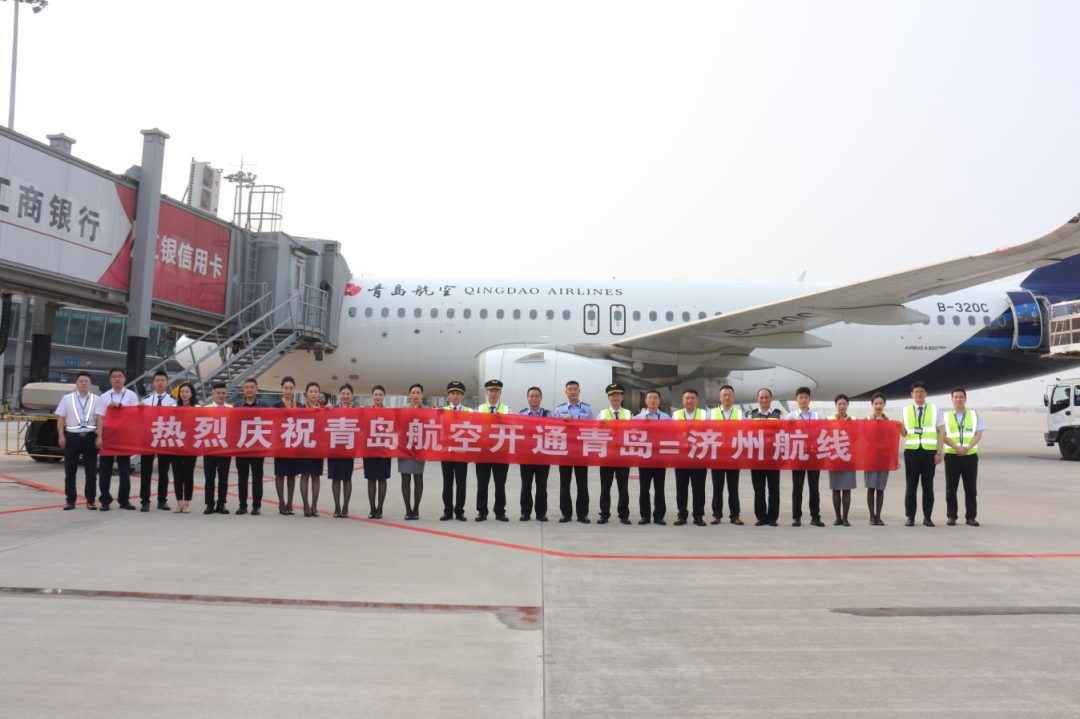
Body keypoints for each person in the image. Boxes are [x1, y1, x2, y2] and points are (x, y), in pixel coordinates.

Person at [54, 372, 100, 510]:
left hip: (90, 438)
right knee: (70, 471)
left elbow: (100, 419)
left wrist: (99, 436)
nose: (84, 383)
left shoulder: (97, 399)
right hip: (72, 438)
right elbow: (60, 418)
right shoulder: (67, 398)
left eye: (86, 381)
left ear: (90, 384)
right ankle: (70, 500)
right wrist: (61, 436)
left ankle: (90, 500)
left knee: (91, 472)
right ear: (76, 383)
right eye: (81, 381)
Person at [97, 367, 140, 511]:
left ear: (124, 378)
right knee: (105, 470)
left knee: (125, 470)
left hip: (124, 435)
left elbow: (135, 415)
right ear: (110, 379)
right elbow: (100, 417)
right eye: (114, 376)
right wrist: (99, 436)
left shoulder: (131, 395)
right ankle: (105, 500)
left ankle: (124, 500)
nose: (117, 379)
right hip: (108, 435)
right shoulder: (104, 397)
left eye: (120, 376)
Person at [902, 381, 944, 527]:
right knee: (910, 486)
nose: (919, 394)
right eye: (916, 391)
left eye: (921, 391)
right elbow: (904, 433)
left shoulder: (934, 409)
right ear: (911, 394)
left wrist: (939, 453)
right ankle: (910, 517)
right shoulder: (906, 410)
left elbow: (941, 432)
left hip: (929, 453)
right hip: (912, 452)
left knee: (928, 486)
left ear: (926, 394)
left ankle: (927, 517)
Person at [942, 388, 985, 527]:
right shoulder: (945, 416)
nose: (958, 399)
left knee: (971, 488)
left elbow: (979, 434)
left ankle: (971, 517)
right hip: (952, 455)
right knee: (951, 488)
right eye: (956, 397)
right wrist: (957, 447)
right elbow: (942, 435)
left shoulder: (975, 415)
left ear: (965, 398)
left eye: (961, 397)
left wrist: (967, 448)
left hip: (970, 456)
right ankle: (952, 516)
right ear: (952, 399)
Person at [553, 380, 593, 523]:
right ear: (566, 392)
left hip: (581, 452)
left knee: (582, 484)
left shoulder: (587, 409)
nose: (573, 392)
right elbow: (554, 429)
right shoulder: (559, 409)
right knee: (565, 484)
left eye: (575, 389)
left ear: (579, 391)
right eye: (570, 389)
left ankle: (582, 514)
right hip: (565, 451)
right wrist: (562, 422)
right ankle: (566, 513)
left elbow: (591, 429)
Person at [785, 386, 824, 527]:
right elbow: (785, 435)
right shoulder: (791, 416)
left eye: (806, 397)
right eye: (800, 397)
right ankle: (796, 517)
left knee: (814, 488)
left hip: (813, 455)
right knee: (797, 488)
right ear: (796, 399)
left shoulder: (817, 416)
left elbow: (821, 433)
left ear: (809, 399)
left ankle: (815, 517)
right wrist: (789, 426)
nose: (803, 400)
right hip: (798, 455)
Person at [596, 383, 632, 525]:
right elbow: (595, 433)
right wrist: (601, 425)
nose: (615, 397)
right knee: (605, 487)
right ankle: (604, 514)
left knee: (623, 487)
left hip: (623, 455)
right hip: (607, 455)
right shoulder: (601, 414)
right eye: (612, 395)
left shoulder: (629, 414)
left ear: (622, 397)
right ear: (608, 398)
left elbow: (634, 432)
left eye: (618, 395)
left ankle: (624, 515)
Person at [475, 379, 511, 522]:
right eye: (491, 390)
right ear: (486, 392)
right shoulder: (479, 409)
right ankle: (482, 512)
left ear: (500, 392)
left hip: (501, 453)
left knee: (500, 484)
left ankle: (500, 512)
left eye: (496, 390)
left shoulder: (507, 409)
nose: (493, 393)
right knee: (482, 484)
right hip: (483, 453)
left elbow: (511, 430)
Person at [140, 370, 176, 512]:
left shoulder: (173, 401)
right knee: (146, 471)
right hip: (148, 438)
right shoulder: (146, 400)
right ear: (153, 382)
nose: (160, 383)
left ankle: (162, 500)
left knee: (163, 471)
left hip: (165, 437)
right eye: (157, 380)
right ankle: (145, 501)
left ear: (166, 383)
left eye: (162, 380)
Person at [673, 389, 708, 526]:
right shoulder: (676, 415)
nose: (689, 401)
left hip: (699, 457)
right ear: (683, 400)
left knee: (699, 489)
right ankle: (682, 515)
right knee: (681, 488)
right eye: (687, 398)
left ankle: (698, 516)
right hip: (681, 457)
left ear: (697, 400)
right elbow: (670, 433)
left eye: (692, 398)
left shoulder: (704, 414)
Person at [709, 385, 743, 525]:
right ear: (720, 397)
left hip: (734, 456)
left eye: (729, 395)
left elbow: (745, 433)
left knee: (733, 488)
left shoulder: (740, 414)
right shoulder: (711, 414)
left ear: (733, 398)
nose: (727, 397)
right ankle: (716, 515)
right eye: (724, 395)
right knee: (717, 488)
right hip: (717, 456)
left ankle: (735, 515)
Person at [748, 388, 782, 526]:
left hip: (773, 458)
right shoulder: (751, 415)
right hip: (757, 459)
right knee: (759, 490)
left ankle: (773, 518)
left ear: (771, 399)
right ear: (757, 399)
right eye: (761, 397)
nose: (764, 400)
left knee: (774, 490)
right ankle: (761, 517)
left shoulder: (779, 415)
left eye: (766, 397)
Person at [234, 378, 268, 516]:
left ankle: (256, 506)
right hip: (241, 448)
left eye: (251, 387)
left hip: (257, 448)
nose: (249, 389)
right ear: (243, 389)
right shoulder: (237, 405)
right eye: (246, 387)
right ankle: (242, 506)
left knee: (257, 478)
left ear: (257, 389)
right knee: (242, 478)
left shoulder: (264, 405)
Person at [635, 389, 670, 525]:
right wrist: (642, 425)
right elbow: (633, 436)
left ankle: (659, 516)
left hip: (660, 458)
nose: (652, 400)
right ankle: (645, 516)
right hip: (644, 457)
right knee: (644, 489)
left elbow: (670, 435)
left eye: (655, 398)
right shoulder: (637, 418)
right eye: (650, 398)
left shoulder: (666, 418)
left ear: (659, 401)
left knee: (659, 488)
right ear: (645, 401)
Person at [518, 386, 552, 521]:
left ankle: (541, 513)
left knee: (542, 486)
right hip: (526, 456)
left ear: (541, 398)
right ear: (527, 398)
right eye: (531, 396)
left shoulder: (548, 414)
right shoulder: (521, 414)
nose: (534, 398)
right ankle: (525, 512)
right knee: (526, 486)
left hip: (543, 456)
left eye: (537, 396)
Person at [440, 381, 471, 521]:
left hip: (461, 453)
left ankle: (459, 511)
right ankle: (447, 511)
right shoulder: (442, 411)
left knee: (461, 483)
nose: (455, 395)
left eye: (458, 393)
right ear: (448, 395)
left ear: (462, 395)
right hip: (446, 452)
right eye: (452, 393)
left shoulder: (469, 411)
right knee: (447, 483)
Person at [202, 382, 233, 515]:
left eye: (223, 393)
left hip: (225, 449)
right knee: (209, 478)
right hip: (210, 449)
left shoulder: (232, 409)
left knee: (223, 479)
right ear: (212, 394)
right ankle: (209, 504)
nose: (221, 395)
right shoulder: (205, 409)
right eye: (218, 393)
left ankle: (221, 504)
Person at [864, 392, 893, 525]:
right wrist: (874, 425)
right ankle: (872, 516)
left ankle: (878, 516)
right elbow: (864, 438)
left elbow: (892, 440)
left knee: (880, 488)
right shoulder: (867, 420)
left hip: (884, 458)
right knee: (871, 488)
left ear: (884, 404)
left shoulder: (889, 421)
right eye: (876, 403)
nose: (878, 406)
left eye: (881, 403)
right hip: (871, 458)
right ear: (872, 405)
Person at [398, 383, 426, 520]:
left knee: (418, 479)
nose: (415, 395)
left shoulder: (427, 411)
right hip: (405, 448)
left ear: (422, 395)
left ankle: (416, 508)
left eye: (418, 392)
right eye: (413, 392)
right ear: (410, 394)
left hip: (420, 449)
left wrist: (424, 451)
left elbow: (430, 430)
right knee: (405, 479)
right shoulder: (403, 410)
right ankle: (408, 509)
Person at [828, 394, 857, 526]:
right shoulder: (829, 419)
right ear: (836, 405)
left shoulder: (854, 419)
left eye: (844, 404)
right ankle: (837, 517)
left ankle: (845, 517)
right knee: (835, 489)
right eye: (839, 404)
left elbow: (857, 437)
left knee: (846, 489)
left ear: (848, 405)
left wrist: (850, 425)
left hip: (848, 458)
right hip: (834, 458)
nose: (842, 406)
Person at [298, 381, 326, 517]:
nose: (313, 394)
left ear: (319, 394)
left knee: (315, 476)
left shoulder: (324, 409)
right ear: (306, 394)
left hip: (318, 447)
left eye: (316, 391)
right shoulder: (300, 409)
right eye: (311, 391)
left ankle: (314, 505)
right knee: (304, 475)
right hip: (304, 447)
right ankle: (305, 505)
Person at [364, 385, 392, 519]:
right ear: (372, 396)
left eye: (380, 395)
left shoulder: (389, 412)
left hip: (384, 450)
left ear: (384, 396)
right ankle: (372, 508)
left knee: (382, 479)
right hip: (370, 449)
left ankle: (380, 508)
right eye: (376, 394)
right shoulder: (366, 411)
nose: (378, 397)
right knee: (371, 479)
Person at [329, 383, 356, 518]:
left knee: (346, 478)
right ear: (339, 395)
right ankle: (337, 506)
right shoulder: (332, 409)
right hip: (334, 448)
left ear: (352, 395)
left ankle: (345, 506)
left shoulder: (357, 410)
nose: (345, 396)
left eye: (348, 394)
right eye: (343, 393)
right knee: (335, 478)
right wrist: (325, 409)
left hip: (348, 449)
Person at [171, 382, 199, 513]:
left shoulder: (198, 408)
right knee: (177, 475)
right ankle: (179, 503)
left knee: (188, 475)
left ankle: (186, 503)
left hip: (191, 447)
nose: (184, 394)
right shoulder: (173, 408)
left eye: (187, 391)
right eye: (182, 392)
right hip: (175, 446)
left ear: (191, 393)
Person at [273, 377, 299, 515]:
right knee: (280, 474)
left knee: (291, 475)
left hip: (294, 444)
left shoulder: (299, 405)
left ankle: (290, 503)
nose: (288, 391)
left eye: (291, 388)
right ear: (282, 389)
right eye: (286, 388)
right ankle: (281, 503)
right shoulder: (276, 405)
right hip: (280, 444)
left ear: (294, 389)